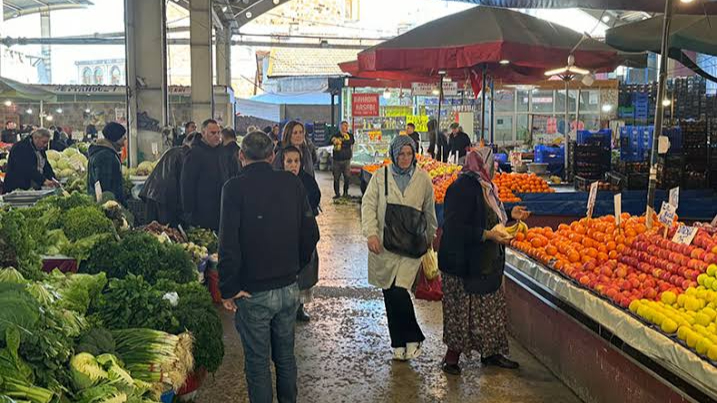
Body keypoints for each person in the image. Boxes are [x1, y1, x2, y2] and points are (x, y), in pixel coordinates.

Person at [218, 131, 320, 403]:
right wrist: (294, 267)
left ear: (241, 156)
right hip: (288, 289)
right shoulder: (291, 183)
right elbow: (311, 233)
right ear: (273, 155)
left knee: (258, 363)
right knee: (286, 357)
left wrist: (228, 288)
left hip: (253, 293)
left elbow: (228, 244)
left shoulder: (233, 188)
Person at [438, 149, 530, 376]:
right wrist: (488, 235)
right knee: (460, 311)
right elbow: (454, 228)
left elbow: (488, 216)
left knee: (490, 310)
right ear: (481, 165)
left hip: (486, 261)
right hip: (462, 263)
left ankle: (491, 353)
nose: (495, 169)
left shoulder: (488, 187)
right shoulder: (460, 189)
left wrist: (510, 212)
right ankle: (452, 358)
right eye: (492, 165)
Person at [361, 135, 438, 361]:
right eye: (400, 154)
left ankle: (413, 336)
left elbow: (429, 211)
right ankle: (397, 342)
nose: (405, 158)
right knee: (389, 291)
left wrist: (430, 239)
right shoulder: (380, 176)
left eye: (409, 153)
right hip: (384, 245)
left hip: (412, 246)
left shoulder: (423, 179)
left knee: (399, 290)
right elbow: (368, 205)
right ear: (393, 155)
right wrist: (371, 233)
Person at [282, 145, 321, 322]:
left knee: (305, 272)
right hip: (284, 234)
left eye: (296, 161)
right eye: (289, 161)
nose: (293, 165)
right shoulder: (277, 182)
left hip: (304, 233)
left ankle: (300, 307)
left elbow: (315, 198)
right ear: (282, 162)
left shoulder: (308, 181)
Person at [180, 119, 228, 231]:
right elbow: (186, 183)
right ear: (203, 133)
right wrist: (188, 212)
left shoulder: (221, 152)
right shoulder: (194, 154)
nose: (217, 136)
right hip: (201, 213)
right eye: (213, 133)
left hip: (220, 210)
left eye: (218, 133)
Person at [139, 132, 196, 227]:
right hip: (166, 198)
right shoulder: (186, 154)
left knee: (153, 231)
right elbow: (183, 181)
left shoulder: (174, 150)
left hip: (153, 193)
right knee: (166, 230)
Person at [3, 128, 59, 193]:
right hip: (17, 188)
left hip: (32, 188)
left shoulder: (40, 149)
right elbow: (27, 168)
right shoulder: (20, 147)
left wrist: (52, 178)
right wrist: (43, 180)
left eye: (47, 142)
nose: (45, 145)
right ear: (36, 138)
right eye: (44, 142)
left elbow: (46, 166)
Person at [87, 122, 126, 203]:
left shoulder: (102, 151)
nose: (124, 140)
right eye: (123, 137)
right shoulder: (106, 156)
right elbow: (105, 187)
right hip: (109, 205)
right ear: (116, 138)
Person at [329, 121, 355, 199]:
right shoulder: (335, 135)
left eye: (347, 126)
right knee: (336, 178)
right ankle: (337, 194)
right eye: (344, 126)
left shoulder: (350, 135)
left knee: (347, 177)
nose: (346, 127)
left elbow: (351, 142)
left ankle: (345, 192)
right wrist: (335, 140)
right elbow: (330, 141)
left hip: (346, 160)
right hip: (337, 160)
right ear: (340, 127)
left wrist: (341, 141)